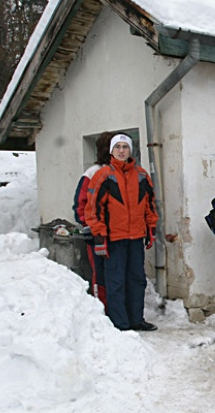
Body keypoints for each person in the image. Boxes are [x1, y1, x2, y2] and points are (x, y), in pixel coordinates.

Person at [85, 133, 159, 332]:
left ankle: (136, 319)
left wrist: (151, 230)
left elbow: (150, 207)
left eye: (124, 147)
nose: (121, 150)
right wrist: (99, 236)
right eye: (117, 147)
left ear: (130, 150)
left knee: (137, 280)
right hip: (113, 239)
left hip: (135, 238)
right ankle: (120, 323)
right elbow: (92, 209)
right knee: (115, 281)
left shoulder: (142, 176)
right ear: (111, 151)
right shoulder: (103, 176)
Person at [72, 131, 114, 308]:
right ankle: (102, 309)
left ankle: (119, 311)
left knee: (118, 274)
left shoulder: (123, 172)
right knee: (101, 273)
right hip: (100, 234)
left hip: (121, 233)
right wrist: (89, 227)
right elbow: (80, 205)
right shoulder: (93, 173)